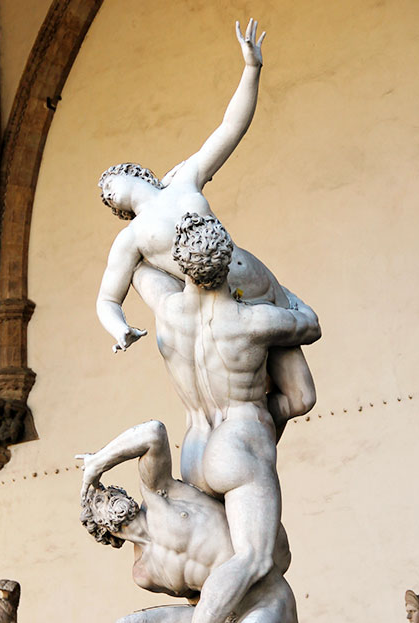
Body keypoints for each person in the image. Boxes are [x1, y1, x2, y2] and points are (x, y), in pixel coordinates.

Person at [96, 18, 318, 439]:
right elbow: (107, 297)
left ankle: (250, 438)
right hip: (228, 309)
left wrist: (251, 69)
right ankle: (242, 441)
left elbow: (230, 129)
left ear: (135, 172)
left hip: (260, 284)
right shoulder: (132, 237)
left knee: (302, 397)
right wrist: (119, 328)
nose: (108, 191)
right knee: (271, 403)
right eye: (107, 196)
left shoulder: (185, 178)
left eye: (111, 181)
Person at [120, 214, 318, 623]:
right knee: (255, 556)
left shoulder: (168, 308)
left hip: (195, 444)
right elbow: (308, 323)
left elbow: (139, 266)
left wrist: (145, 228)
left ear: (184, 266)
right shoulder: (253, 320)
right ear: (226, 261)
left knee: (222, 554)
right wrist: (265, 281)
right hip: (239, 439)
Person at [78, 419, 352, 623]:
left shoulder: (159, 492)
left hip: (265, 601)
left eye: (108, 489)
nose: (108, 494)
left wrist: (98, 463)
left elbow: (153, 432)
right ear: (100, 529)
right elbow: (197, 598)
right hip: (223, 622)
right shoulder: (143, 572)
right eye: (98, 500)